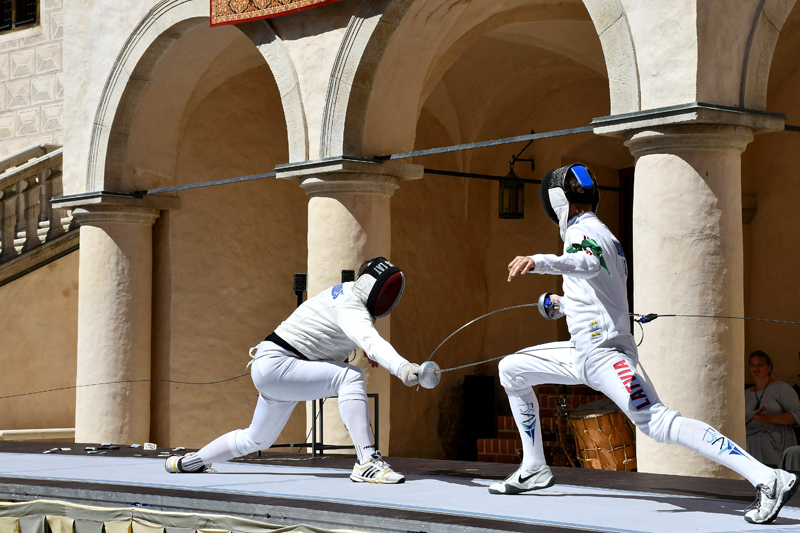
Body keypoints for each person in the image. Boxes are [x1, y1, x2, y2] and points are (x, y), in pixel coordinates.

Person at [489, 163, 798, 525]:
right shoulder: (599, 233)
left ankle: (768, 477)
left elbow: (584, 264)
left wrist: (538, 261)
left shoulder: (583, 232)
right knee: (511, 368)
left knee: (659, 423)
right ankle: (534, 466)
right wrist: (558, 304)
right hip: (581, 353)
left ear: (558, 201)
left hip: (606, 356)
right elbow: (598, 289)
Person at [165, 257, 420, 484]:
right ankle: (366, 462)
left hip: (274, 367)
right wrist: (403, 368)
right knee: (350, 376)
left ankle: (190, 462)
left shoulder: (344, 293)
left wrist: (362, 347)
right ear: (372, 288)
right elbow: (371, 340)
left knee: (256, 440)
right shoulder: (351, 308)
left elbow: (349, 331)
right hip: (281, 364)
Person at [746, 350, 800, 466]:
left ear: (769, 368)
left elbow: (797, 415)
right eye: (752, 365)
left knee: (758, 441)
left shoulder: (782, 388)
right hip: (749, 439)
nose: (756, 368)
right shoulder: (745, 394)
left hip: (776, 440)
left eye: (760, 364)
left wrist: (769, 418)